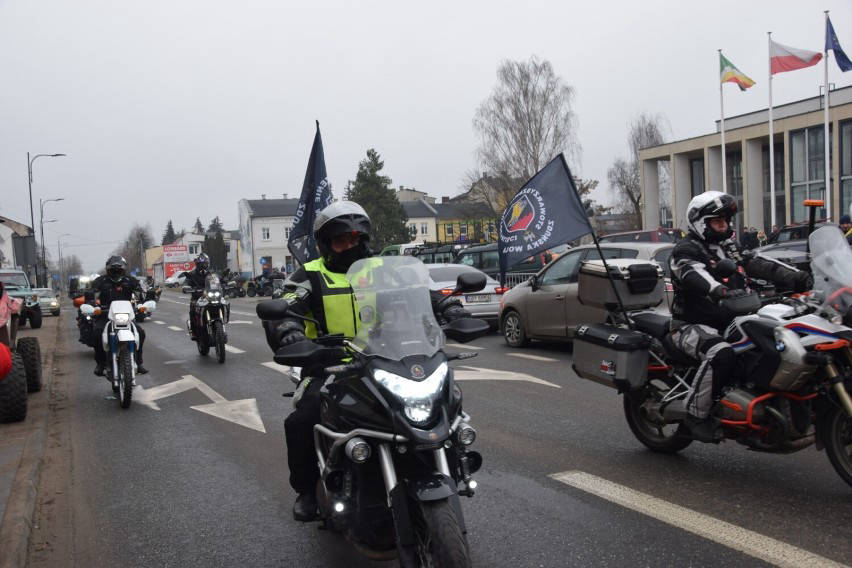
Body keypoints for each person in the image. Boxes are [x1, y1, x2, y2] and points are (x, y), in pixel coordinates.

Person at [261, 201, 468, 522]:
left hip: (386, 361)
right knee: (303, 420)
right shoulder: (310, 275)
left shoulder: (384, 269)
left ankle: (452, 470)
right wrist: (288, 330)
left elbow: (423, 292)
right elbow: (286, 306)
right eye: (341, 241)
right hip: (329, 367)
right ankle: (306, 489)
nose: (350, 246)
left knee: (443, 404)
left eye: (355, 240)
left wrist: (449, 308)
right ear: (326, 244)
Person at [668, 191, 811, 442]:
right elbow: (692, 273)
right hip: (691, 325)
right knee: (720, 353)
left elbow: (758, 262)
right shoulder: (686, 250)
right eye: (717, 221)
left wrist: (799, 278)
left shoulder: (728, 248)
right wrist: (718, 290)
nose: (724, 226)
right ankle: (695, 416)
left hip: (732, 320)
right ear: (700, 222)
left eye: (726, 221)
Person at [91, 256, 147, 376]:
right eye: (113, 270)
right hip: (106, 315)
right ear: (108, 269)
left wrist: (142, 304)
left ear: (124, 269)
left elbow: (140, 293)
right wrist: (93, 306)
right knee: (96, 333)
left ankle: (139, 362)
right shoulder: (101, 281)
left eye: (119, 270)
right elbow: (91, 295)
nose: (116, 272)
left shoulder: (130, 280)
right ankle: (100, 363)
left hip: (126, 316)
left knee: (140, 333)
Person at [180, 253, 211, 339]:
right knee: (193, 310)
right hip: (197, 298)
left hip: (209, 298)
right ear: (198, 264)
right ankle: (194, 331)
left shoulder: (210, 274)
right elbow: (187, 281)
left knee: (220, 303)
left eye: (206, 263)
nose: (204, 266)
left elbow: (217, 280)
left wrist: (224, 283)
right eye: (202, 264)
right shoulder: (192, 274)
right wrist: (186, 287)